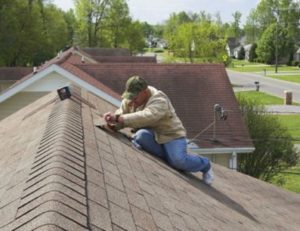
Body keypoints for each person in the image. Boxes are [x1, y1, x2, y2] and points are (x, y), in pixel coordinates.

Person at [104, 75, 214, 185]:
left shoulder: (160, 100)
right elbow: (122, 113)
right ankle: (170, 155)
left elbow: (147, 116)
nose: (132, 101)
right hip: (153, 134)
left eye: (135, 97)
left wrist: (119, 119)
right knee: (140, 136)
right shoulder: (131, 99)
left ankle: (205, 164)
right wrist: (113, 123)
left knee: (177, 161)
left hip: (171, 136)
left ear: (145, 92)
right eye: (130, 97)